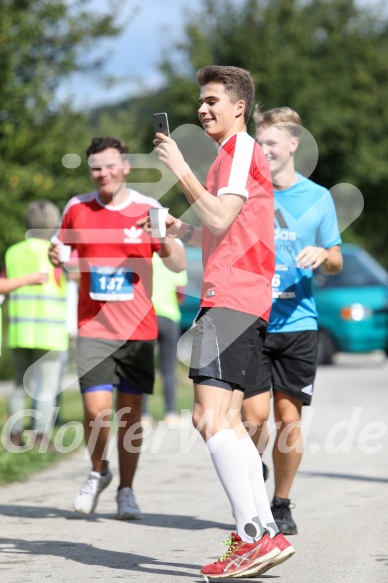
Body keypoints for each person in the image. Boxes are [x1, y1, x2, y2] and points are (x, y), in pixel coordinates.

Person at [153, 66, 294, 580]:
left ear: (240, 106)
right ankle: (261, 532)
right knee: (229, 421)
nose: (202, 109)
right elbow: (217, 231)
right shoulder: (232, 159)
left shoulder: (238, 150)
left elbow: (219, 218)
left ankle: (254, 535)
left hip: (230, 299)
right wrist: (179, 229)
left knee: (207, 418)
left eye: (212, 100)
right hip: (241, 298)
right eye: (200, 102)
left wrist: (178, 168)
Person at [49, 136, 186, 520]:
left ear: (125, 166)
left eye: (110, 166)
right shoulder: (76, 207)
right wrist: (56, 256)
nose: (102, 173)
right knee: (96, 412)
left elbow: (176, 264)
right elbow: (61, 252)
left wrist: (162, 239)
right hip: (93, 327)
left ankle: (126, 490)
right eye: (95, 167)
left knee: (129, 417)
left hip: (138, 330)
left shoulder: (148, 207)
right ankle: (98, 471)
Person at [241, 106, 343, 535]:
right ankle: (251, 466)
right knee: (252, 418)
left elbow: (336, 260)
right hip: (253, 319)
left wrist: (323, 254)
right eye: (258, 143)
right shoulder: (246, 193)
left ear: (293, 144)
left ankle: (281, 504)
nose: (263, 151)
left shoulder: (317, 197)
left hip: (299, 322)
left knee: (289, 418)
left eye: (270, 143)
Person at [4, 200, 68, 449]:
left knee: (20, 384)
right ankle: (41, 437)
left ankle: (14, 435)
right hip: (49, 332)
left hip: (20, 329)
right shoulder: (56, 252)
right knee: (46, 386)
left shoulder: (13, 252)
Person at [142, 252, 188, 424]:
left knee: (144, 369)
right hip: (169, 317)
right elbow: (180, 295)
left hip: (146, 317)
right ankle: (170, 413)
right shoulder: (175, 260)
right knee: (169, 369)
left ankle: (144, 415)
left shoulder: (147, 258)